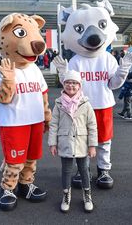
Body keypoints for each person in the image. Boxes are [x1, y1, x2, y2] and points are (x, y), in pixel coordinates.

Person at [48, 70, 98, 213]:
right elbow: (54, 124)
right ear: (63, 85)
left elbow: (92, 125)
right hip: (65, 142)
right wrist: (53, 143)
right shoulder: (58, 104)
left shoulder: (86, 104)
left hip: (82, 143)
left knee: (84, 171)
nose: (71, 86)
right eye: (68, 82)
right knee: (66, 170)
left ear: (79, 86)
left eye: (74, 83)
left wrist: (92, 145)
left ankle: (87, 195)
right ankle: (66, 195)